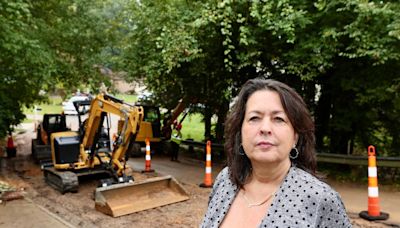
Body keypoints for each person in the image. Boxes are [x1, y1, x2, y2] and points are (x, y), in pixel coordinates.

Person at [201, 78, 351, 227]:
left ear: (295, 137)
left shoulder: (320, 199)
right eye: (254, 118)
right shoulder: (226, 180)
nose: (265, 128)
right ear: (240, 132)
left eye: (278, 119)